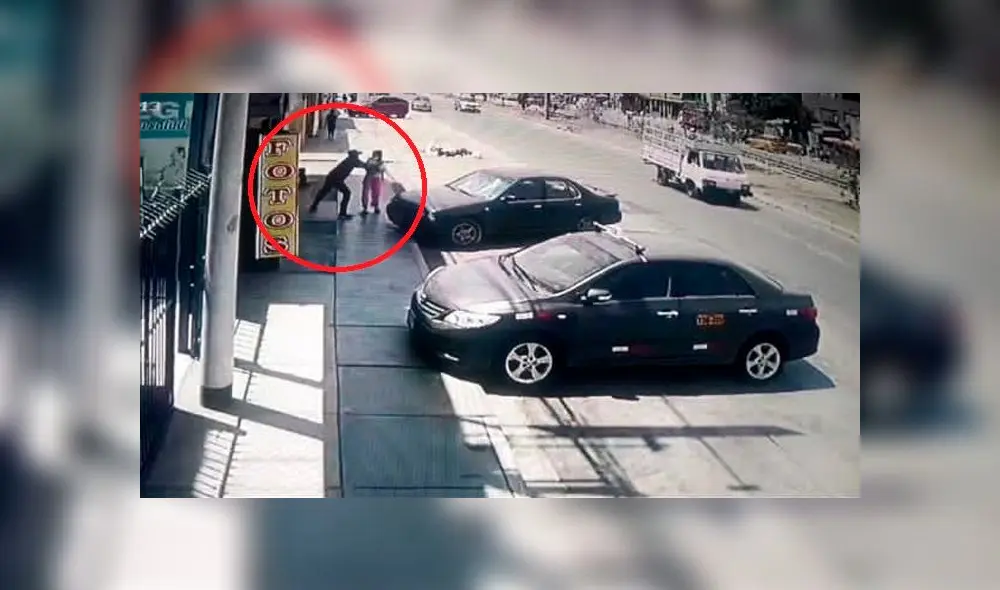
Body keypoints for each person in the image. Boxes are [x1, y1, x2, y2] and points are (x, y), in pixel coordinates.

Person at [308, 149, 365, 219]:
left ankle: (313, 206)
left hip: (331, 177)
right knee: (347, 193)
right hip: (336, 179)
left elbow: (361, 164)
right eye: (357, 155)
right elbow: (364, 165)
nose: (358, 157)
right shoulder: (353, 161)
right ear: (354, 156)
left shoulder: (349, 160)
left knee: (324, 191)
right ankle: (342, 214)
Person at [359, 149, 386, 216]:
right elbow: (366, 167)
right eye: (374, 154)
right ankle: (365, 208)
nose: (375, 155)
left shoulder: (381, 162)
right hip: (369, 177)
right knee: (365, 193)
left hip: (376, 178)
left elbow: (382, 170)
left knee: (376, 193)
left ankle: (376, 207)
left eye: (377, 154)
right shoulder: (370, 160)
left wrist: (382, 177)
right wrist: (373, 165)